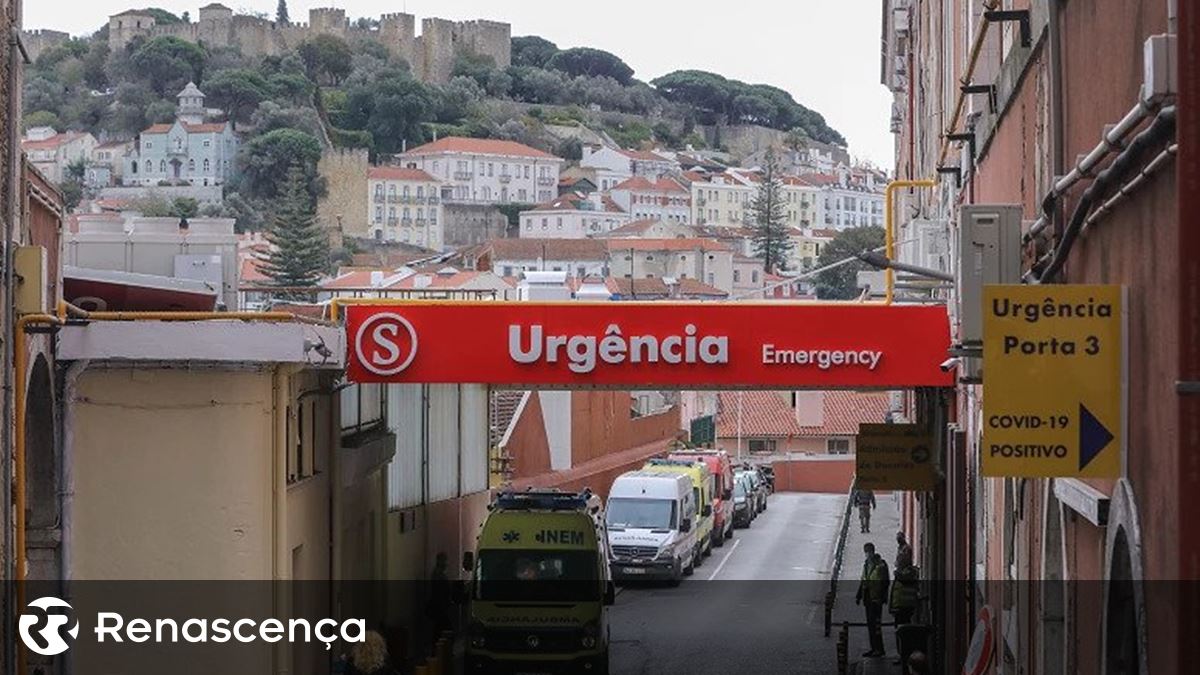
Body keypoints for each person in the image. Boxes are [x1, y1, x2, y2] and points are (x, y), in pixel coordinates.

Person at [856, 546, 890, 658]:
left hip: (876, 600)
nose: (867, 554)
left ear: (872, 551)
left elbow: (885, 583)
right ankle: (873, 648)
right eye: (865, 552)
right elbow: (864, 580)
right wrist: (859, 595)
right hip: (868, 599)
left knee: (876, 626)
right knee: (871, 625)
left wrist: (882, 597)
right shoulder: (866, 564)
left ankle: (879, 649)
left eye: (868, 552)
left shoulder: (881, 565)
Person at [890, 551, 920, 668]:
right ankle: (901, 655)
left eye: (900, 560)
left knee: (904, 634)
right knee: (899, 633)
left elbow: (905, 579)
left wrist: (897, 572)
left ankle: (905, 656)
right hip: (899, 607)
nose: (898, 562)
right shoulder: (902, 572)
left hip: (906, 608)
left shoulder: (910, 572)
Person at [425, 552, 454, 648]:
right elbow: (440, 593)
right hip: (440, 609)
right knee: (444, 630)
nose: (446, 563)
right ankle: (441, 653)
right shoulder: (438, 575)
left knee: (438, 631)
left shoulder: (437, 574)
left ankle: (438, 652)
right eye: (444, 560)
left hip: (439, 609)